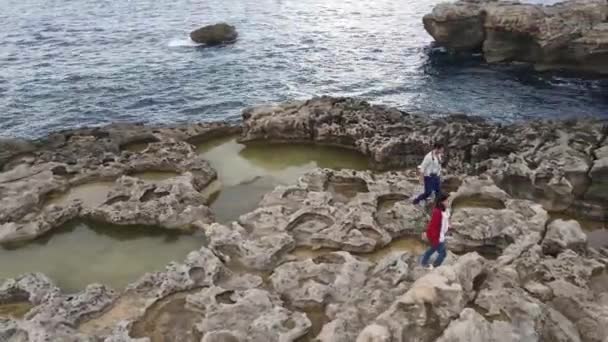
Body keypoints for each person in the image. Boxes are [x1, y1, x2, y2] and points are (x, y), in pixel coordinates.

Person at [420, 192, 450, 269]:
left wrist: (448, 226)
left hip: (440, 236)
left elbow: (443, 222)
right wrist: (434, 238)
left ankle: (423, 262)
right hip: (438, 237)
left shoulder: (444, 210)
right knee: (443, 254)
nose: (448, 202)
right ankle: (435, 266)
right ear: (441, 202)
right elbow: (433, 226)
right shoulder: (437, 212)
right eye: (446, 201)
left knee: (431, 250)